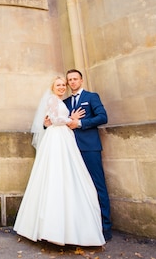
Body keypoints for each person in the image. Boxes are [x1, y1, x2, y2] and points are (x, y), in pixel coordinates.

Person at [14, 77, 105, 247]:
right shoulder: (52, 99)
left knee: (70, 177)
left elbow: (53, 119)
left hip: (64, 139)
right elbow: (55, 120)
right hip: (57, 139)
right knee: (56, 175)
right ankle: (52, 228)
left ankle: (78, 228)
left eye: (64, 84)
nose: (63, 86)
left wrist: (68, 119)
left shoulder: (63, 101)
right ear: (52, 87)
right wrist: (72, 120)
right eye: (59, 84)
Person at [64, 69, 112, 241]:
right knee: (77, 189)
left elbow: (102, 117)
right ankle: (83, 227)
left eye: (75, 79)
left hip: (90, 148)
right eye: (70, 80)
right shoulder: (65, 102)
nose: (73, 82)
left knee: (98, 186)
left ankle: (106, 227)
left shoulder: (92, 97)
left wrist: (80, 123)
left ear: (81, 80)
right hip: (70, 150)